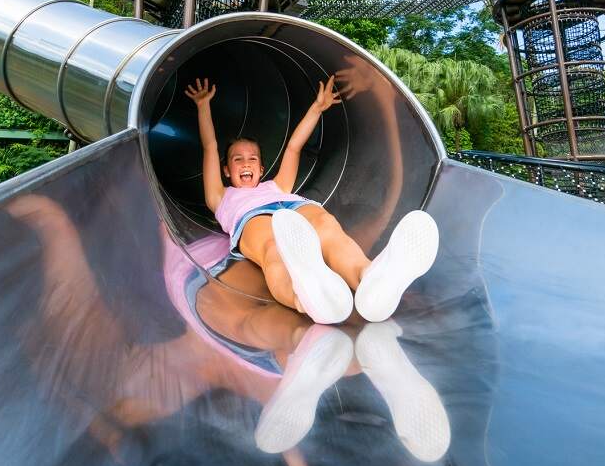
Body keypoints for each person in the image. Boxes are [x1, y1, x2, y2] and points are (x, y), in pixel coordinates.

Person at [184, 76, 439, 325]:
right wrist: (203, 106)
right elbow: (210, 146)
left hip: (294, 207)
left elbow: (293, 146)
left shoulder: (277, 186)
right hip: (252, 216)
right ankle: (307, 299)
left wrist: (317, 108)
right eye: (237, 159)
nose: (246, 163)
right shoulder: (220, 196)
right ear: (226, 170)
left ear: (261, 169)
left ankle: (370, 280)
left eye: (252, 158)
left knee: (329, 229)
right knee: (273, 249)